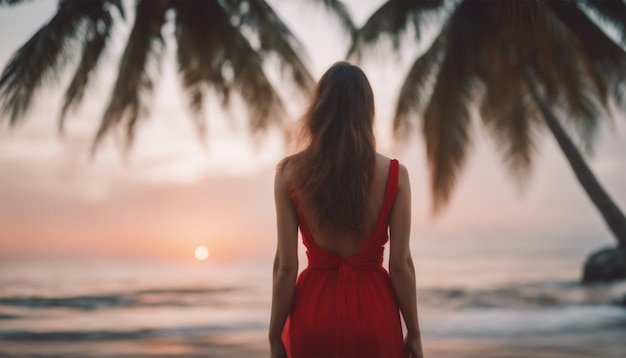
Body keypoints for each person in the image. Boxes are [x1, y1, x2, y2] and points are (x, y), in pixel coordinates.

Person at [269, 62, 423, 358]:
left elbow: (286, 266)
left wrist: (275, 336)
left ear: (319, 109)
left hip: (314, 312)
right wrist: (414, 332)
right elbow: (401, 264)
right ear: (367, 112)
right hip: (374, 311)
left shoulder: (289, 173)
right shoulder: (394, 175)